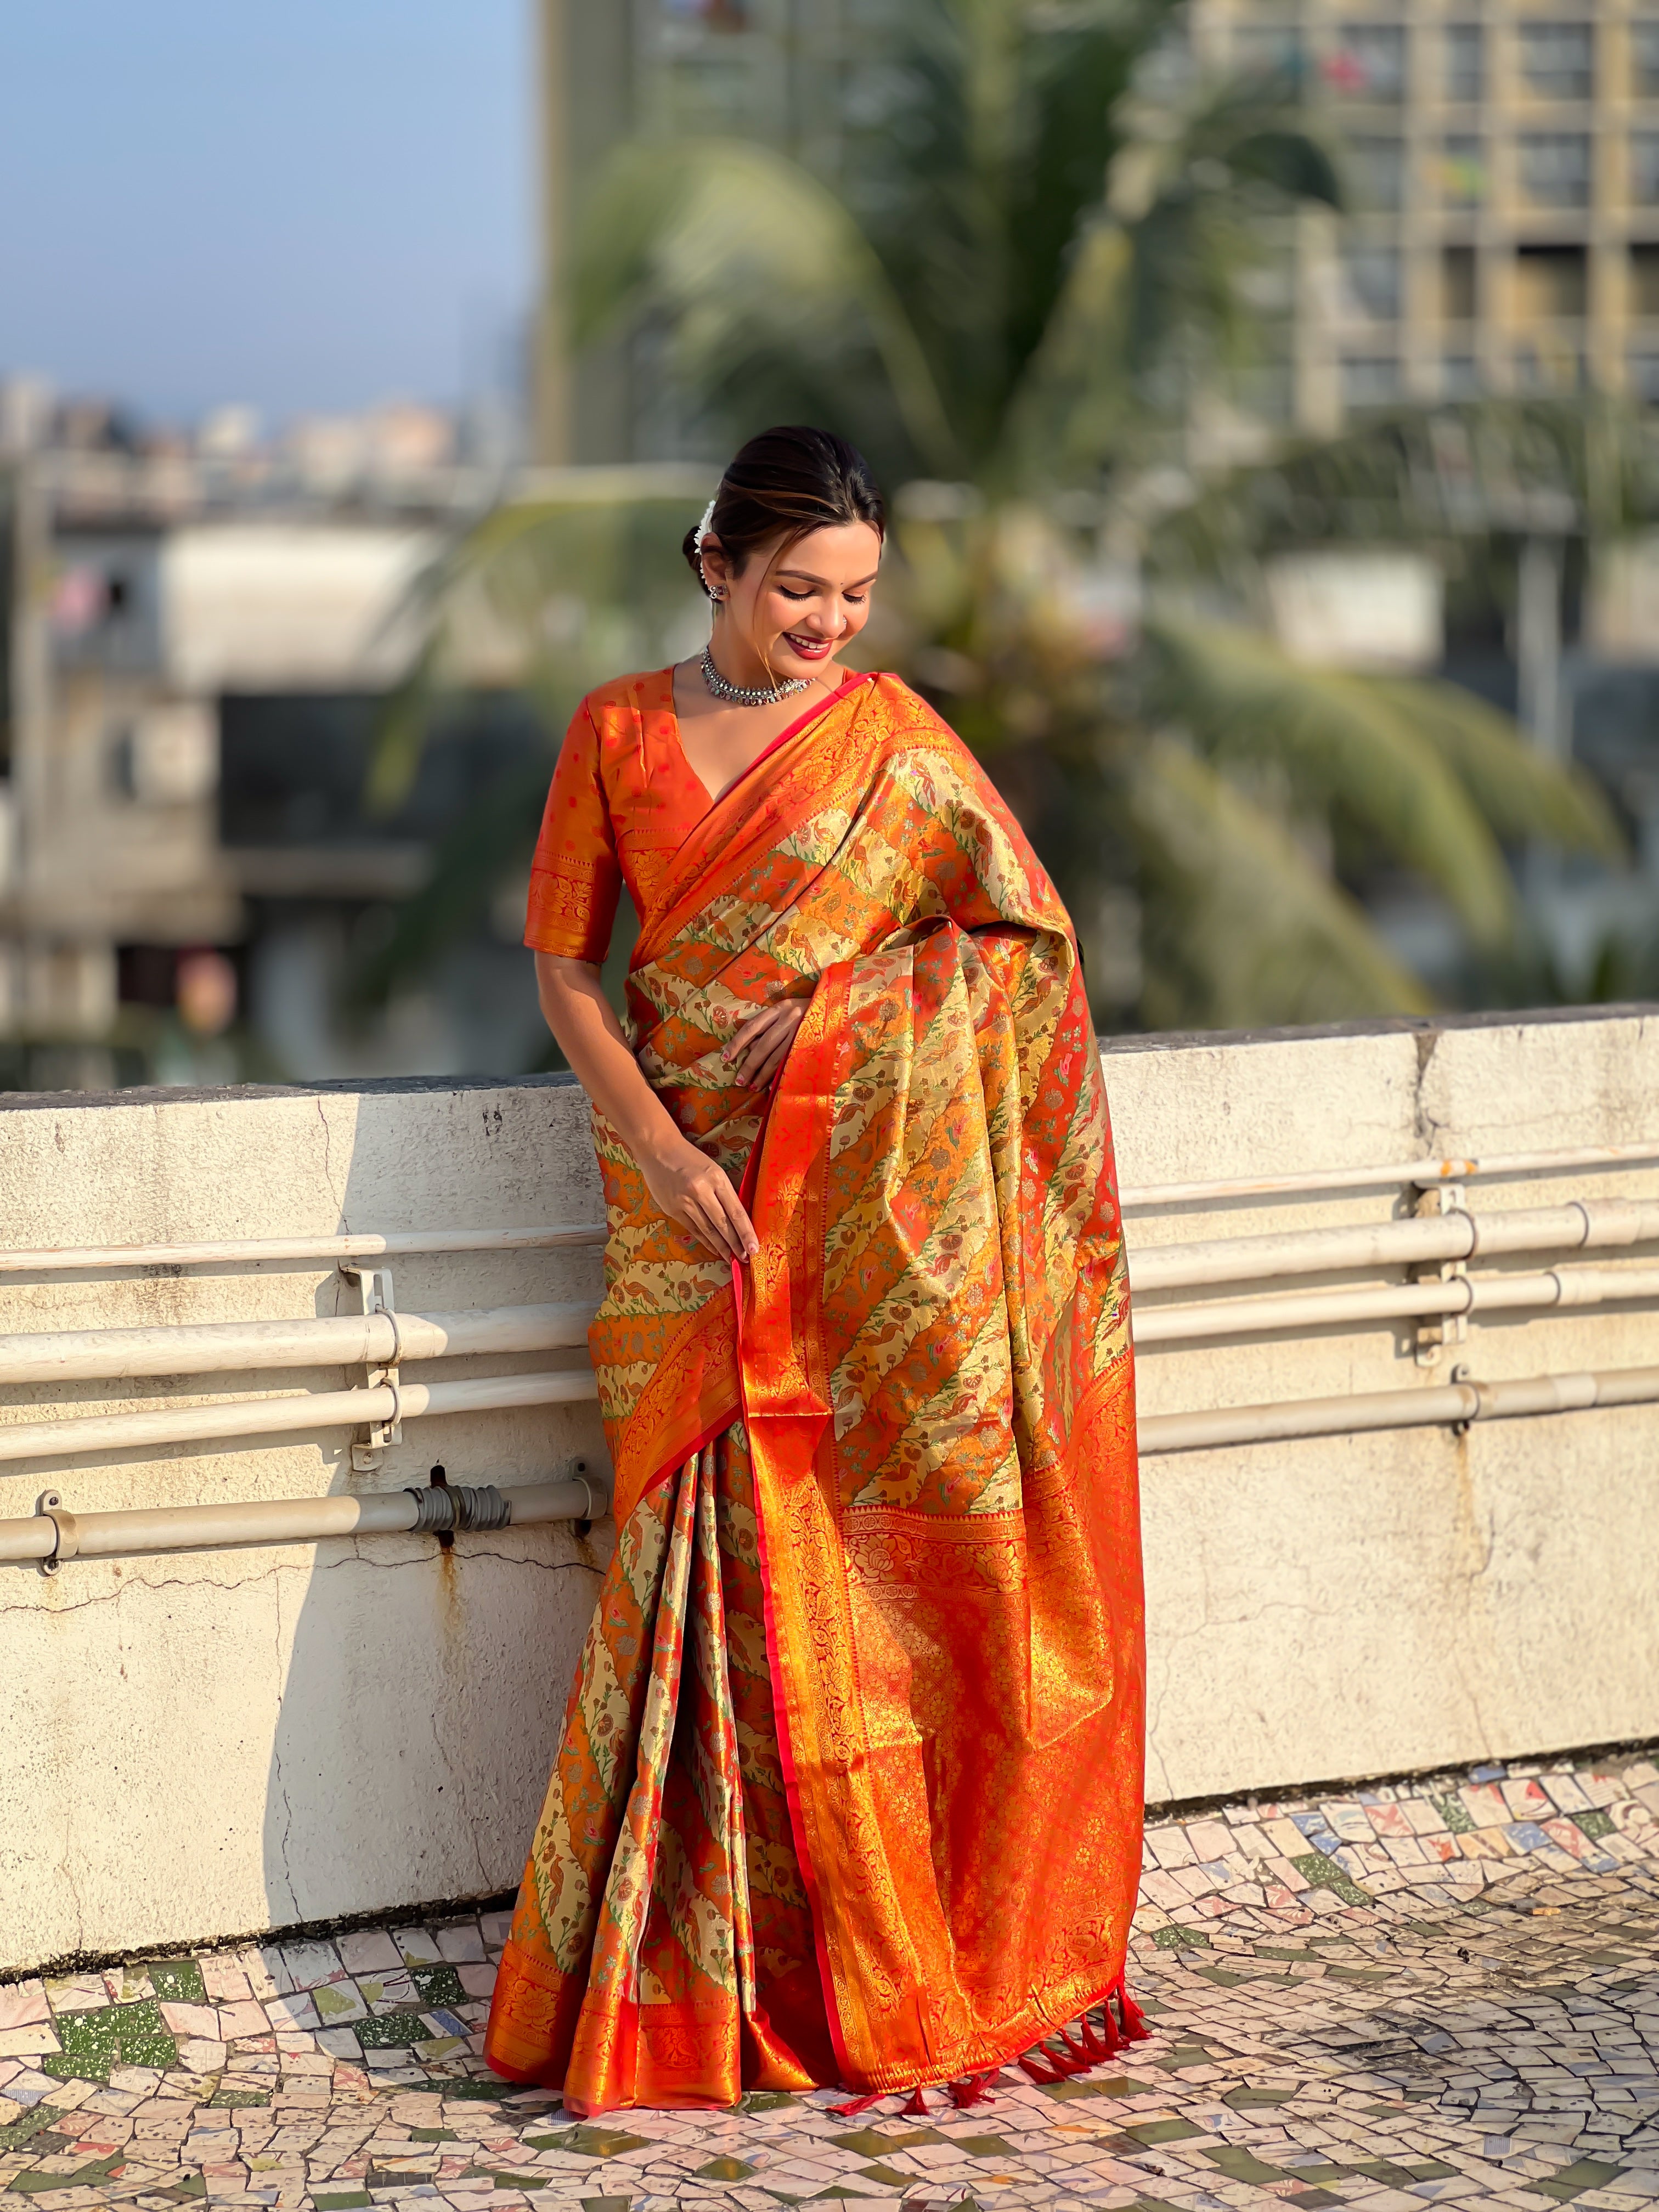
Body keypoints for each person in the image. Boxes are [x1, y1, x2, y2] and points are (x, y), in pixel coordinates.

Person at [484, 424, 1145, 2115]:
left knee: (834, 1577)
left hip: (849, 1219)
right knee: (678, 1579)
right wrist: (669, 1154)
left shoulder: (900, 746)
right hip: (675, 1213)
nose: (831, 624)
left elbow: (1017, 950)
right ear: (718, 562)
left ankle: (854, 1953)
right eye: (800, 589)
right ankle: (676, 1978)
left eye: (856, 593)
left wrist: (860, 1020)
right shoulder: (617, 731)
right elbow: (566, 972)